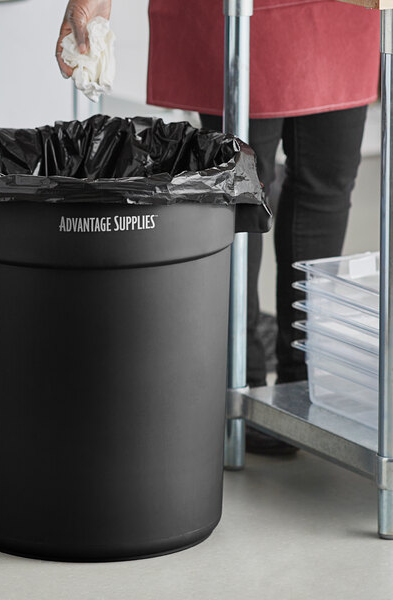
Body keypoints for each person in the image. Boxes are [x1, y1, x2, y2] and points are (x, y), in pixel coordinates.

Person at [56, 0, 380, 454]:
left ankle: (306, 382)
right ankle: (238, 388)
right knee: (240, 188)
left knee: (327, 183)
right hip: (239, 11)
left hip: (343, 12)